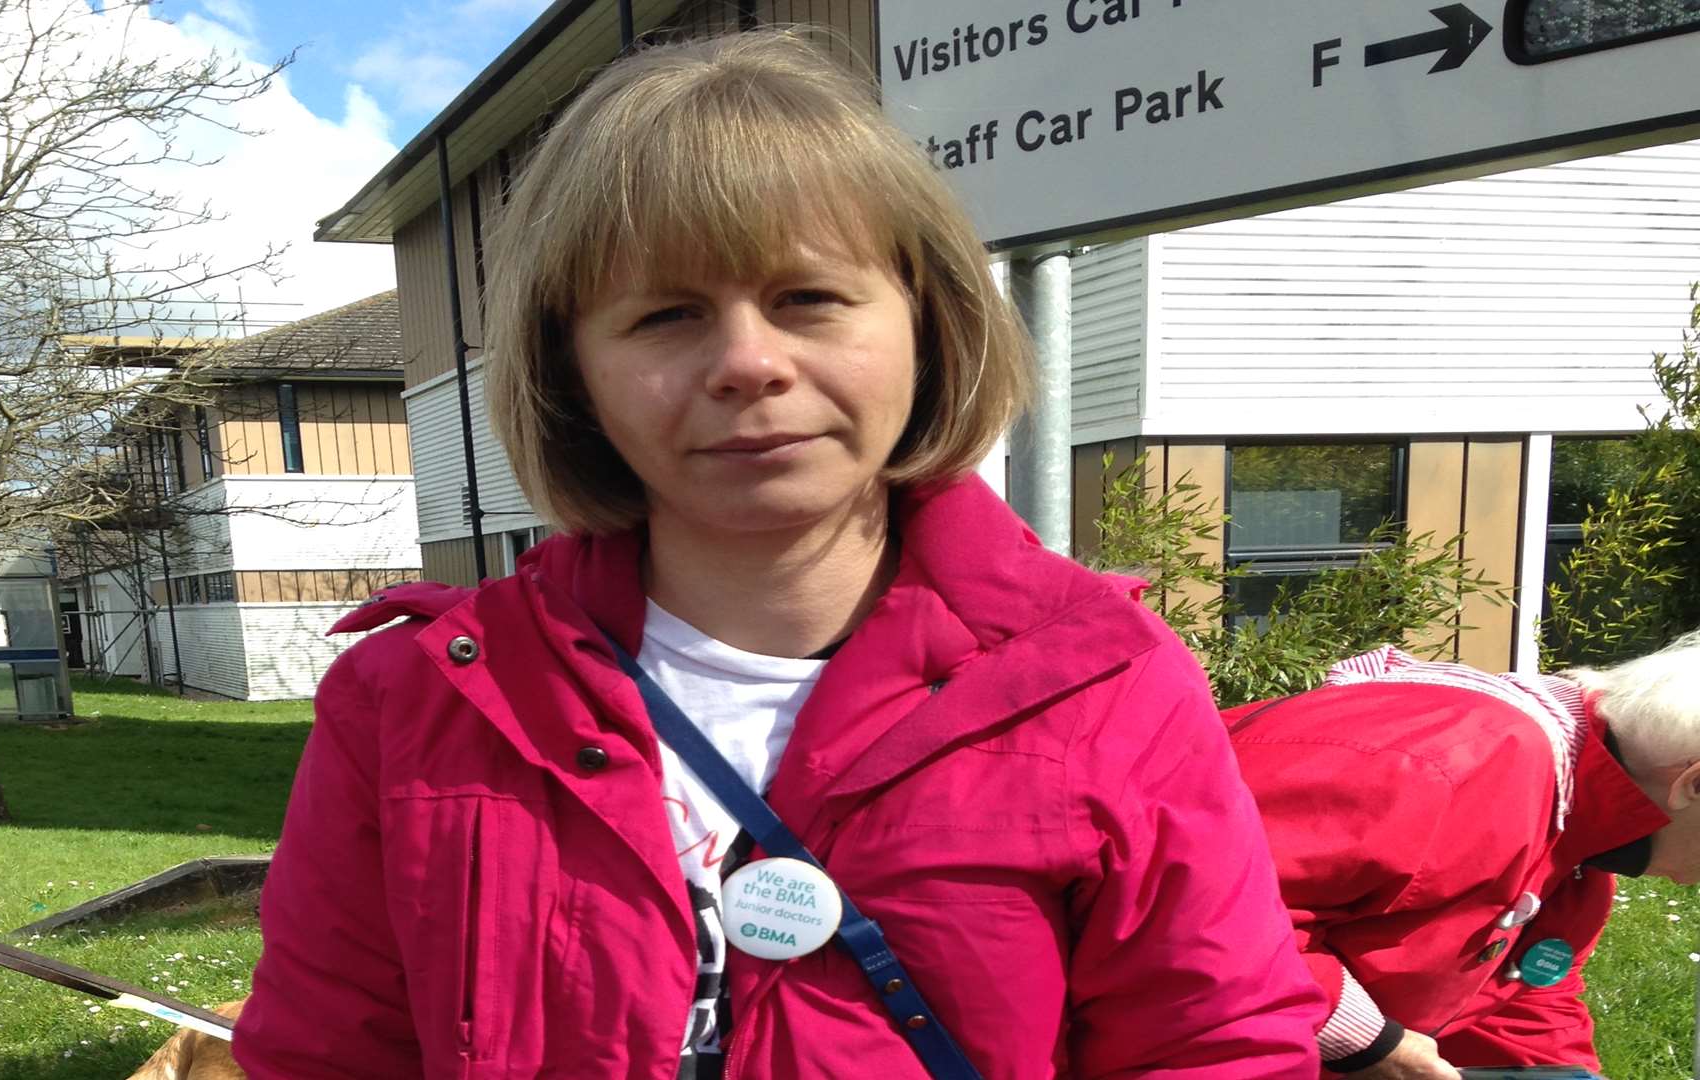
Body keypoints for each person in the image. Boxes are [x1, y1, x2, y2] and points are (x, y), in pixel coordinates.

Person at [234, 30, 1323, 1080]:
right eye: (666, 315)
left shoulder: (1103, 682)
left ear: (925, 321)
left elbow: (1213, 1048)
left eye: (808, 297)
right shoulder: (417, 699)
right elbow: (323, 1054)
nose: (748, 362)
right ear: (575, 373)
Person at [1226, 633, 1700, 1079]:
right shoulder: (1452, 766)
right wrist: (1368, 1043)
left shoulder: (1580, 825)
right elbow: (1215, 910)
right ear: (1693, 783)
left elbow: (1526, 987)